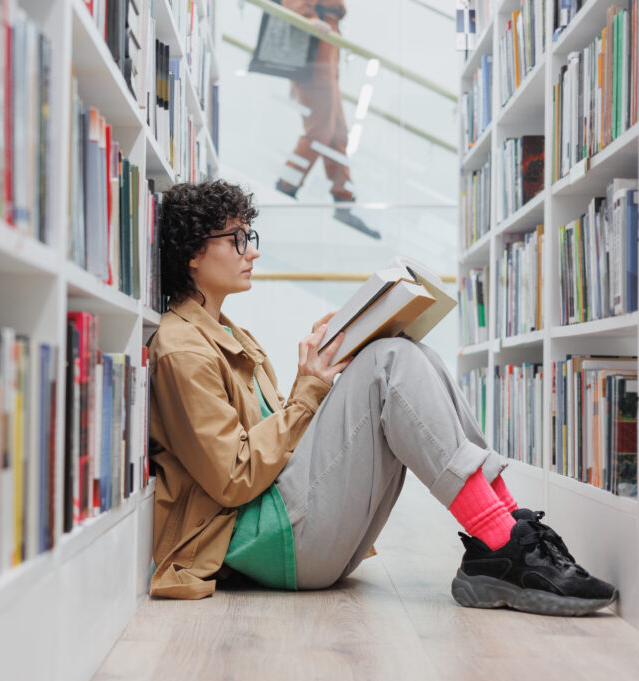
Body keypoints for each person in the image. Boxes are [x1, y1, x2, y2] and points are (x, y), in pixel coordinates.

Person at [147, 179, 617, 616]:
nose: (250, 251)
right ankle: (502, 541)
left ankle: (505, 531)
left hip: (283, 524)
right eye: (237, 239)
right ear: (193, 252)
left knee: (413, 354)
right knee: (389, 361)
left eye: (250, 237)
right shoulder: (181, 348)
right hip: (263, 541)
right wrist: (311, 388)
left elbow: (276, 445)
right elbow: (234, 478)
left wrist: (325, 365)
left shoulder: (228, 334)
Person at [273, 0, 378, 239]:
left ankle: (343, 201)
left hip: (327, 49)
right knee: (320, 130)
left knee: (338, 133)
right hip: (313, 48)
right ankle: (286, 185)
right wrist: (308, 17)